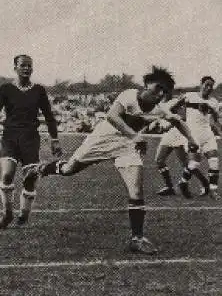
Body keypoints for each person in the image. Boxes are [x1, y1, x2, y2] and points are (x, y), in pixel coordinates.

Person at [25, 66, 199, 254]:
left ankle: (137, 239)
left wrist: (192, 140)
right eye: (158, 88)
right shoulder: (129, 95)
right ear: (147, 84)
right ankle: (39, 169)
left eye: (164, 91)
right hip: (103, 138)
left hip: (127, 147)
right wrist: (134, 135)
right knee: (68, 169)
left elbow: (179, 122)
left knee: (136, 190)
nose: (160, 94)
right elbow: (112, 116)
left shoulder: (160, 109)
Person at [0, 54, 62, 229]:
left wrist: (55, 139)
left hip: (30, 138)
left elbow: (49, 116)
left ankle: (24, 214)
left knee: (29, 179)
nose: (27, 68)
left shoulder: (39, 90)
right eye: (23, 65)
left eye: (29, 65)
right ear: (15, 68)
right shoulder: (5, 89)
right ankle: (7, 213)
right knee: (6, 174)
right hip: (10, 137)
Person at [155, 95, 209, 196]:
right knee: (159, 160)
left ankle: (205, 183)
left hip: (177, 133)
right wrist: (159, 125)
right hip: (167, 135)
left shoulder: (175, 101)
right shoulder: (158, 103)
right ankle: (169, 187)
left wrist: (169, 125)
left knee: (185, 164)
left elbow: (183, 117)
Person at [178, 76, 221, 200]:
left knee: (214, 162)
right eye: (206, 84)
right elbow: (174, 109)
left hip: (208, 134)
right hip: (193, 135)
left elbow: (215, 119)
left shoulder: (213, 101)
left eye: (211, 86)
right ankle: (183, 182)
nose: (209, 87)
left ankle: (213, 191)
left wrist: (219, 129)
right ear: (201, 84)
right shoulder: (189, 96)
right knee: (194, 164)